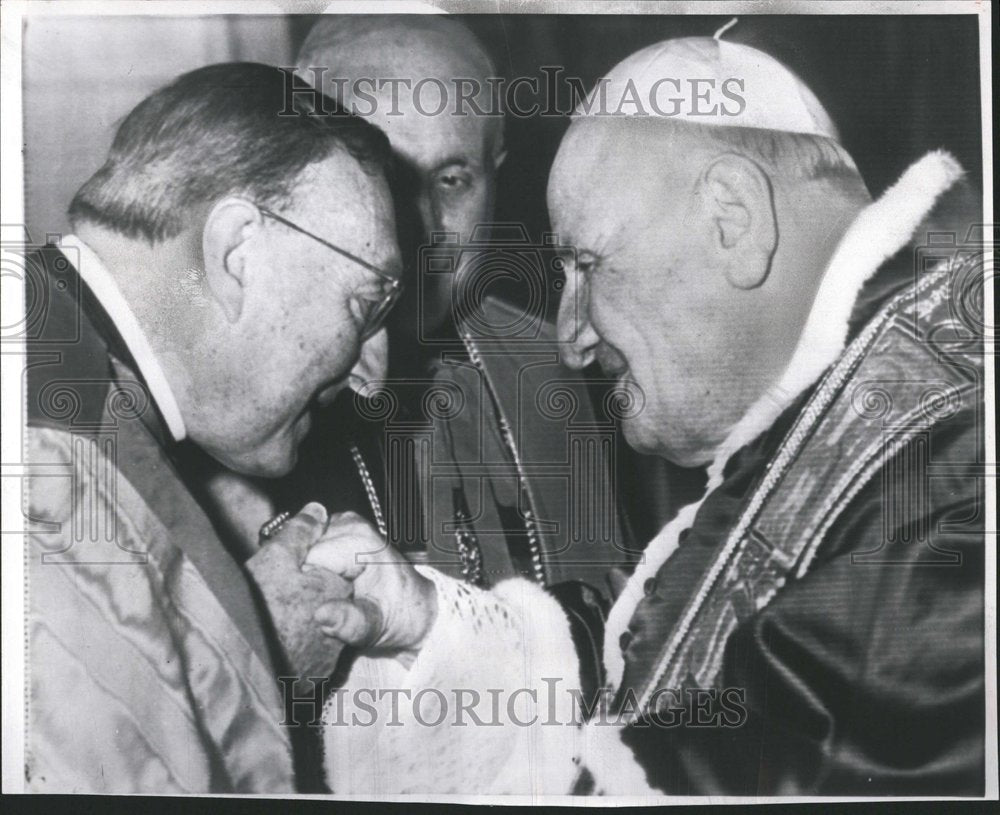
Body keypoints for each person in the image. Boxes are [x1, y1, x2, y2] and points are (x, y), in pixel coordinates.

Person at [303, 34, 985, 796]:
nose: (569, 338)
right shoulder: (857, 404)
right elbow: (676, 678)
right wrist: (431, 624)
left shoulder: (952, 466)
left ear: (734, 218)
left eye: (587, 265)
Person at [23, 62, 418, 793]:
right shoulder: (50, 450)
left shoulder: (53, 370)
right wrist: (250, 650)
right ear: (237, 252)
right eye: (366, 308)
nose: (374, 375)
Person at [276, 15, 640, 611]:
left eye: (452, 179)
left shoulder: (562, 368)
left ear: (496, 172)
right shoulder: (247, 395)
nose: (418, 227)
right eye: (383, 179)